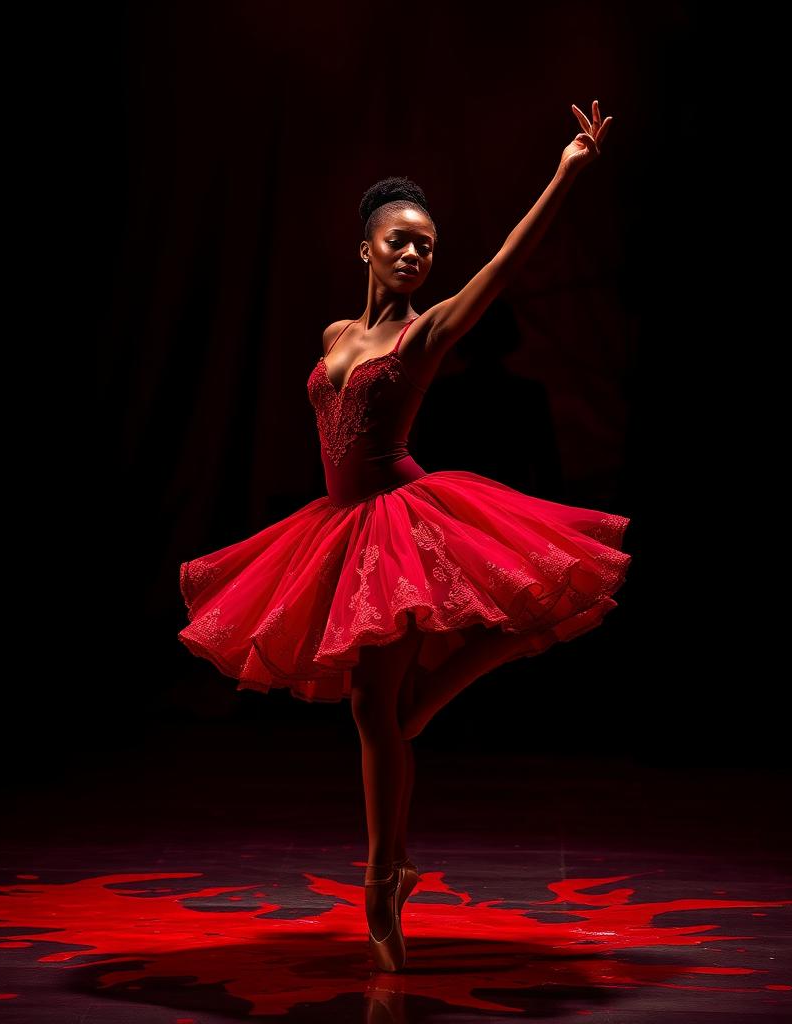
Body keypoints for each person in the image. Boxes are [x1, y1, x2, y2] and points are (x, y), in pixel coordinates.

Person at [178, 100, 629, 972]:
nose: (419, 252)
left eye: (428, 242)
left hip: (400, 517)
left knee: (377, 710)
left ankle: (383, 889)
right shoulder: (335, 336)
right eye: (402, 240)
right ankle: (395, 865)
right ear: (368, 248)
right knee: (382, 710)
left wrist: (567, 174)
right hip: (338, 526)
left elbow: (503, 263)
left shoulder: (428, 331)